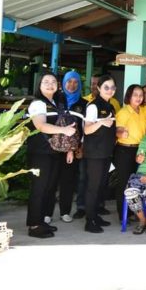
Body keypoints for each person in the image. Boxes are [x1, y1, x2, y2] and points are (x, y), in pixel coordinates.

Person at [25, 73, 78, 238]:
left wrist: (69, 148)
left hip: (53, 152)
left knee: (48, 189)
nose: (50, 84)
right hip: (40, 152)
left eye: (53, 82)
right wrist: (64, 130)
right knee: (39, 189)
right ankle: (34, 225)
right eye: (45, 82)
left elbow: (65, 126)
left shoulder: (56, 103)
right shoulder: (38, 103)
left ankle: (41, 221)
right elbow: (40, 125)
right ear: (39, 85)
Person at [44, 70, 86, 225]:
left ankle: (65, 212)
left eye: (75, 82)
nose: (72, 84)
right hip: (53, 147)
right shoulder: (56, 99)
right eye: (69, 81)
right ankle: (47, 213)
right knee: (51, 180)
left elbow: (82, 128)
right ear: (64, 83)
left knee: (68, 181)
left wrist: (77, 147)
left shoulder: (83, 103)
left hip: (72, 149)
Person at [82, 74, 117, 233]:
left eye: (112, 87)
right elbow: (87, 129)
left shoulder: (111, 106)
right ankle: (89, 221)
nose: (110, 90)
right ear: (98, 88)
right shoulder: (93, 106)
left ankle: (95, 215)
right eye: (106, 87)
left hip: (106, 153)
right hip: (94, 153)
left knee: (101, 186)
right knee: (93, 187)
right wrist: (101, 122)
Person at [112, 84, 146, 221]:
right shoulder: (123, 112)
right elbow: (117, 131)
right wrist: (121, 132)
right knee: (124, 183)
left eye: (141, 95)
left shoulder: (144, 111)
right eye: (135, 95)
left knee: (137, 183)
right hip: (124, 150)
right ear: (129, 96)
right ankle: (123, 214)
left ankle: (133, 212)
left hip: (140, 150)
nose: (138, 98)